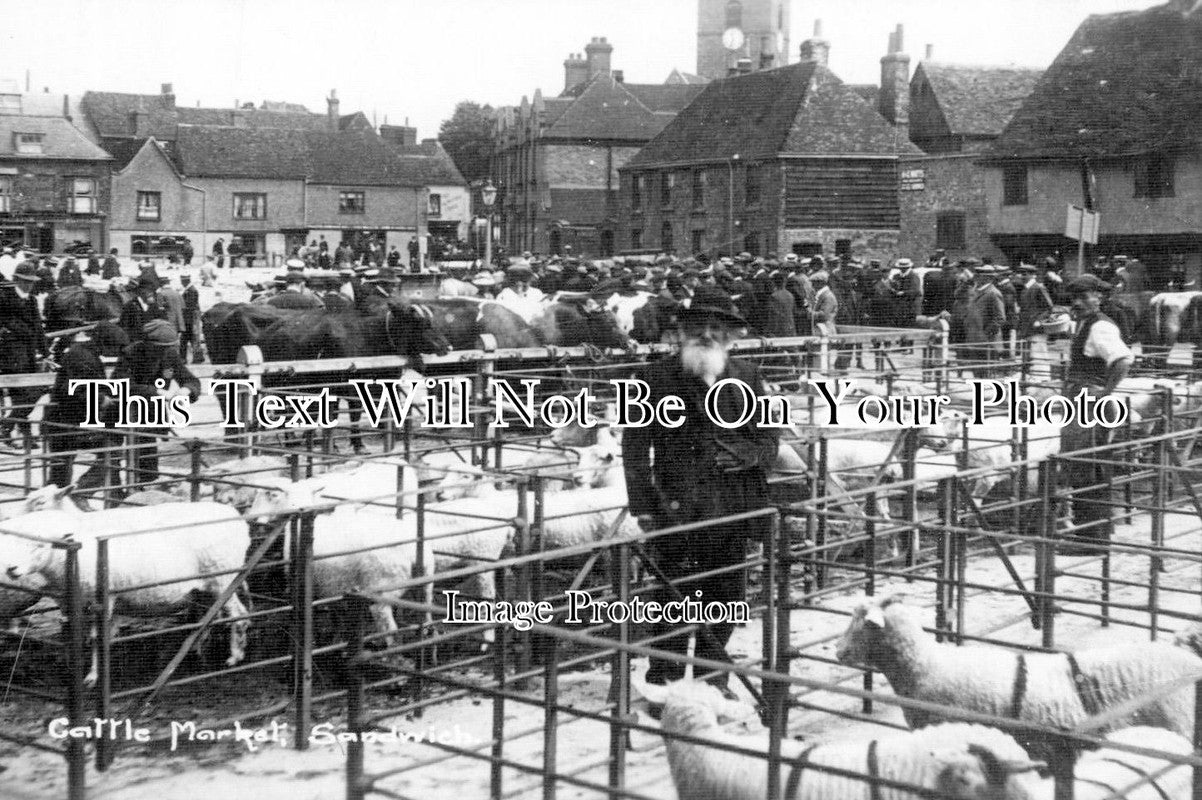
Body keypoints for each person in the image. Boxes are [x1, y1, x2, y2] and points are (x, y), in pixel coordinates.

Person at [622, 285, 779, 693]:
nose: (707, 334)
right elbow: (635, 446)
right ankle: (666, 682)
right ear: (683, 330)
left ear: (730, 335)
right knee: (673, 600)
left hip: (732, 508)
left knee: (726, 600)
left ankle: (713, 682)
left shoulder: (747, 376)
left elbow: (769, 439)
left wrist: (748, 454)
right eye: (699, 326)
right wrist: (642, 505)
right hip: (676, 508)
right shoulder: (654, 377)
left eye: (717, 327)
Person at [1059, 275, 1133, 554]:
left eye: (1084, 296)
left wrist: (1105, 392)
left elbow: (1123, 359)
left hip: (1089, 404)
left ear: (1098, 297)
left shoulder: (1100, 326)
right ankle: (1097, 533)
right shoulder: (1086, 323)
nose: (1077, 303)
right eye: (1073, 298)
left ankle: (1090, 540)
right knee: (1089, 466)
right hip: (1082, 402)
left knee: (1085, 466)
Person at [111, 320, 201, 485]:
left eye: (168, 347)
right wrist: (157, 392)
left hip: (151, 415)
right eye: (160, 348)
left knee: (148, 457)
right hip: (126, 412)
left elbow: (191, 380)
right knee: (114, 456)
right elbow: (122, 384)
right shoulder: (130, 354)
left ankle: (146, 486)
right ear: (147, 344)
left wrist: (186, 390)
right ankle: (117, 493)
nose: (164, 352)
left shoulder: (169, 354)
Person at [44, 326, 110, 492]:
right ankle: (80, 492)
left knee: (60, 470)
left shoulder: (85, 353)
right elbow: (69, 389)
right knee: (111, 452)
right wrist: (101, 398)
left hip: (68, 421)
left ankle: (64, 498)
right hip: (66, 421)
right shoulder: (82, 356)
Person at [0, 262, 47, 445]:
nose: (29, 285)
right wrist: (22, 331)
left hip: (27, 356)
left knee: (32, 393)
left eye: (31, 281)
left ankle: (8, 428)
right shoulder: (4, 298)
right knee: (26, 394)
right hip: (8, 358)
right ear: (16, 280)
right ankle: (13, 430)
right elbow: (7, 322)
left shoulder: (32, 300)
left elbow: (38, 329)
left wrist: (46, 352)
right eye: (25, 281)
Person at [118, 273, 167, 340]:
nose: (151, 293)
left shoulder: (155, 306)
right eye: (148, 291)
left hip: (153, 342)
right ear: (140, 292)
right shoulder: (130, 306)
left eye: (152, 291)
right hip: (136, 342)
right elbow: (124, 326)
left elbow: (163, 321)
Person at [179, 274, 201, 363]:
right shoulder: (190, 290)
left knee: (187, 340)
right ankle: (197, 357)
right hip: (190, 319)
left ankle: (184, 358)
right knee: (191, 339)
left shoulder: (191, 291)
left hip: (190, 320)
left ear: (184, 281)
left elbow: (189, 306)